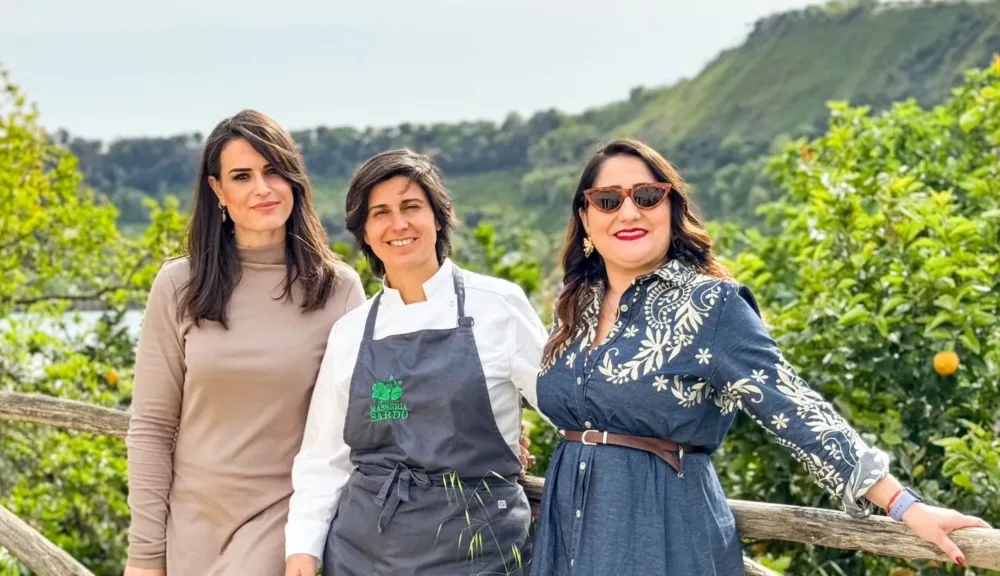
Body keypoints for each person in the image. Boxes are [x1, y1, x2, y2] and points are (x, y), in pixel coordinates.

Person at [529, 138, 991, 574]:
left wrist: (902, 504)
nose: (629, 210)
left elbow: (793, 407)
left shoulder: (713, 306)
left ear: (671, 207)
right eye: (608, 200)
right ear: (587, 218)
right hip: (568, 532)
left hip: (663, 527)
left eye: (647, 195)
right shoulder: (575, 304)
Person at [283, 149, 548, 576]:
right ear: (365, 233)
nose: (398, 224)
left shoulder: (498, 306)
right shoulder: (350, 332)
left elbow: (566, 408)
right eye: (380, 213)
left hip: (479, 555)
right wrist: (302, 550)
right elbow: (323, 458)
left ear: (438, 218)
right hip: (363, 556)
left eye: (411, 207)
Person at [123, 110, 366, 576]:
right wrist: (146, 555)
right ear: (217, 190)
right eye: (242, 176)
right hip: (190, 530)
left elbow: (372, 409)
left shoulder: (338, 289)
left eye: (274, 170)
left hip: (285, 525)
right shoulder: (179, 285)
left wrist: (471, 425)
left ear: (294, 179)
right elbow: (152, 427)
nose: (262, 188)